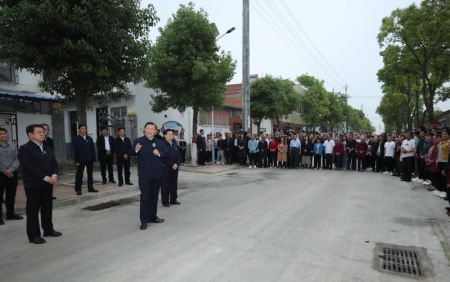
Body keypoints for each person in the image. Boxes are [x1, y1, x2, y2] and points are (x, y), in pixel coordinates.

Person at [17, 124, 61, 244]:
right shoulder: (25, 148)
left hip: (48, 183)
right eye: (39, 132)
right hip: (33, 184)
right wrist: (44, 177)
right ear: (30, 135)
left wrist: (54, 174)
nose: (43, 134)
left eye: (43, 132)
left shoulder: (47, 147)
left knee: (47, 208)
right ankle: (34, 235)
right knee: (33, 210)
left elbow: (55, 163)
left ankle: (48, 229)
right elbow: (27, 167)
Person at [132, 122, 166, 230]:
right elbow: (131, 153)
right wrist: (136, 149)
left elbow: (166, 154)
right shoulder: (139, 141)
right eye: (148, 128)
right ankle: (144, 220)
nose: (150, 130)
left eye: (152, 129)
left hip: (157, 175)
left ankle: (153, 216)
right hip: (145, 175)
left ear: (155, 131)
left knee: (154, 197)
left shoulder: (160, 142)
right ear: (144, 130)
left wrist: (159, 153)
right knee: (145, 197)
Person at [0, 127, 22, 224]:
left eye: (5, 133)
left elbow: (17, 159)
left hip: (12, 173)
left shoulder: (13, 146)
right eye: (1, 134)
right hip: (0, 173)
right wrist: (4, 170)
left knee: (11, 195)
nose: (3, 135)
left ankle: (10, 214)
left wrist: (11, 169)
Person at [73, 124, 97, 195]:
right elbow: (75, 151)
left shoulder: (89, 138)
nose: (84, 130)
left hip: (89, 159)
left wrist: (94, 158)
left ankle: (90, 188)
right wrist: (76, 160)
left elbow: (93, 149)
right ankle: (78, 189)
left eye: (85, 128)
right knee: (79, 175)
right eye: (82, 128)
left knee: (90, 174)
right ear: (79, 130)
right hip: (80, 160)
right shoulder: (76, 139)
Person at [161, 129, 181, 207]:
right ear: (165, 135)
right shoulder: (162, 144)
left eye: (172, 134)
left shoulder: (175, 143)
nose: (171, 135)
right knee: (165, 185)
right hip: (166, 168)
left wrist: (177, 164)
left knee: (174, 185)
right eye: (169, 134)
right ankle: (165, 201)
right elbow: (163, 157)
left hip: (175, 168)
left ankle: (173, 199)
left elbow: (179, 155)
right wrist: (172, 164)